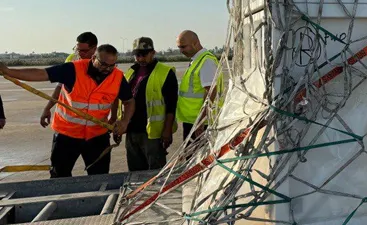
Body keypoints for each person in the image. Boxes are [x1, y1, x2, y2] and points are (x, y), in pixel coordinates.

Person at [0, 45, 135, 177]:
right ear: (94, 58)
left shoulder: (117, 76)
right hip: (67, 136)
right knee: (59, 176)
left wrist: (124, 122)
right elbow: (41, 74)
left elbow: (129, 101)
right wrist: (9, 71)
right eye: (103, 64)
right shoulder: (73, 69)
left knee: (99, 177)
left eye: (112, 65)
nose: (108, 69)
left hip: (97, 136)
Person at [122, 37, 178, 171]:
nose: (140, 58)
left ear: (153, 53)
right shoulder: (131, 72)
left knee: (155, 172)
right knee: (135, 172)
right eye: (137, 55)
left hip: (152, 134)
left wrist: (167, 130)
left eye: (144, 54)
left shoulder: (165, 73)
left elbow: (171, 105)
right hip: (132, 130)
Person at [41, 32, 99, 128]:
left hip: (95, 126)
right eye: (77, 50)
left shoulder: (104, 64)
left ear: (94, 49)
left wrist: (114, 118)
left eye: (84, 51)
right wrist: (47, 108)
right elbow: (59, 87)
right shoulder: (71, 61)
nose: (80, 54)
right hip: (68, 125)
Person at [176, 30, 223, 140]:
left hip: (201, 122)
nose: (181, 51)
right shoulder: (197, 60)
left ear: (196, 43)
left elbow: (211, 91)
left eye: (183, 47)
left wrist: (201, 120)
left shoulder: (206, 61)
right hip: (193, 120)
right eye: (179, 47)